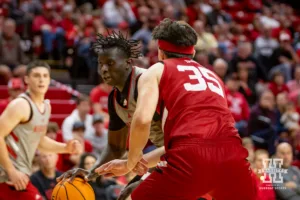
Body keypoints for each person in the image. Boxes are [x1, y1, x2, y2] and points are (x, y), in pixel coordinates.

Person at [95, 19, 257, 200]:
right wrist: (129, 164)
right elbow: (203, 144)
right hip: (234, 159)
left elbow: (142, 121)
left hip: (190, 160)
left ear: (160, 53)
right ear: (193, 52)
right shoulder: (214, 77)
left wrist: (131, 161)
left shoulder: (157, 70)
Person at [57, 31, 212, 200]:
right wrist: (90, 173)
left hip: (193, 153)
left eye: (110, 63)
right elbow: (116, 147)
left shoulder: (149, 82)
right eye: (101, 64)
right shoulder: (115, 98)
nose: (104, 69)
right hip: (170, 156)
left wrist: (134, 168)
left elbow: (177, 138)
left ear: (127, 63)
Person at [0, 61, 81, 200]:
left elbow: (39, 141)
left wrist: (66, 148)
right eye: (36, 75)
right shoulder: (21, 105)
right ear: (26, 79)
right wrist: (11, 171)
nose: (41, 79)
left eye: (45, 76)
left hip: (18, 176)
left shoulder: (46, 107)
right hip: (7, 176)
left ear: (49, 80)